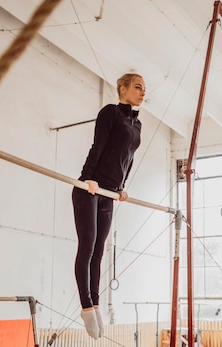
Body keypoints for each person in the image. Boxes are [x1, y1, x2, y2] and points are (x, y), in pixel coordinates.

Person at [72, 73, 145, 339]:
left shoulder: (137, 125)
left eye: (144, 89)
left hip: (110, 192)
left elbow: (129, 158)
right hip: (90, 188)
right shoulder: (111, 113)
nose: (142, 92)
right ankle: (85, 305)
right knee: (88, 246)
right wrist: (88, 177)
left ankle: (95, 305)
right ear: (123, 89)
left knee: (100, 251)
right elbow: (98, 144)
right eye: (138, 87)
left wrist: (123, 186)